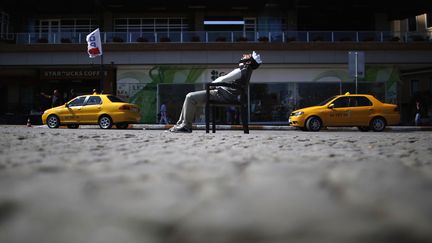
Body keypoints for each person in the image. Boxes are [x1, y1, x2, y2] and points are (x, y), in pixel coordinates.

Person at [168, 51, 262, 133]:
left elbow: (222, 79)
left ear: (248, 62)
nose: (244, 55)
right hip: (224, 95)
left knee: (190, 97)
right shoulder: (247, 72)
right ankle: (181, 124)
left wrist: (212, 84)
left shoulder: (241, 70)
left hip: (221, 95)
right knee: (190, 97)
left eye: (247, 56)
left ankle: (185, 126)